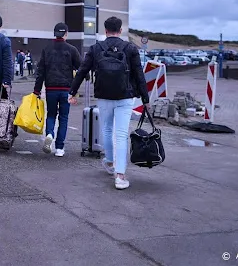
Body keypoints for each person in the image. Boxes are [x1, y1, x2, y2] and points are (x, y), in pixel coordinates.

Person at [68, 17, 150, 190]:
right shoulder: (130, 49)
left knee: (106, 128)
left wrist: (72, 91)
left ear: (105, 31)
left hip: (104, 96)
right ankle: (120, 176)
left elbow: (82, 71)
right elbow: (139, 75)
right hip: (125, 97)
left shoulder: (96, 48)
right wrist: (145, 98)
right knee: (120, 134)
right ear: (120, 31)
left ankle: (110, 162)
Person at [33, 23, 81, 157]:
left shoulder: (47, 49)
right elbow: (81, 68)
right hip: (66, 89)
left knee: (51, 115)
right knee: (64, 117)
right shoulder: (72, 50)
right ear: (66, 33)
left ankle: (49, 134)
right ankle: (59, 148)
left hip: (51, 88)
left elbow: (40, 71)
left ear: (54, 33)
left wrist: (37, 91)